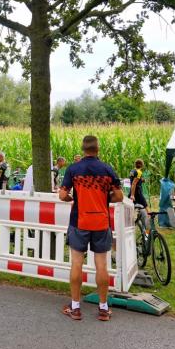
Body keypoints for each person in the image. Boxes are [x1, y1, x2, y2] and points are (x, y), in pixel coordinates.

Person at [58, 135, 122, 322]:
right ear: (97, 149)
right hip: (101, 221)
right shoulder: (107, 169)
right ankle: (103, 308)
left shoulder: (73, 169)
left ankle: (75, 307)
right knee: (101, 265)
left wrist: (72, 199)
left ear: (83, 149)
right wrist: (105, 199)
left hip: (79, 221)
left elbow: (62, 195)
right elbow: (119, 196)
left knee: (77, 263)